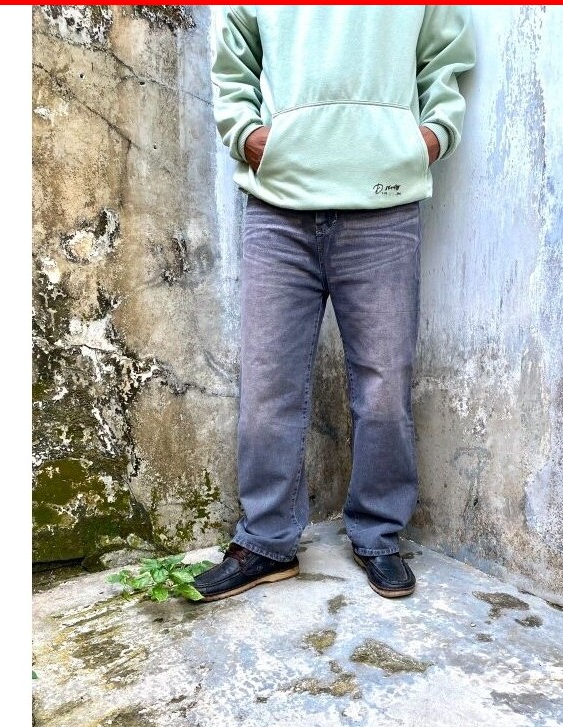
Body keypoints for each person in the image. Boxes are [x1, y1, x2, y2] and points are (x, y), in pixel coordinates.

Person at [193, 5, 476, 602]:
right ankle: (265, 542)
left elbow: (444, 57)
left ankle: (378, 534)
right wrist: (247, 134)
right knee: (267, 385)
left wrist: (430, 136)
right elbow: (233, 57)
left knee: (383, 387)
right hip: (278, 209)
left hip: (383, 207)